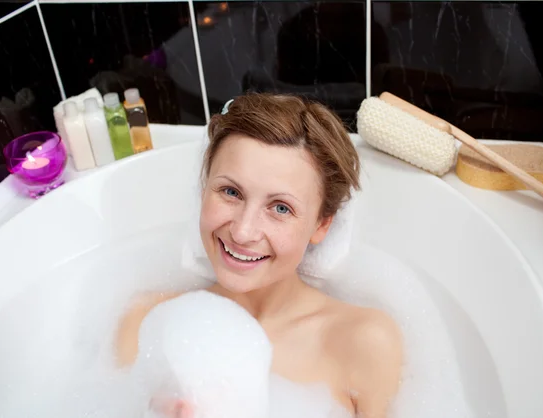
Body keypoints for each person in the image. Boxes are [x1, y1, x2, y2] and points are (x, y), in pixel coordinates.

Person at [115, 93, 403, 418]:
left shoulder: (361, 342)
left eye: (280, 208)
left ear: (321, 224)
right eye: (231, 192)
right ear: (204, 187)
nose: (242, 232)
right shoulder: (146, 323)